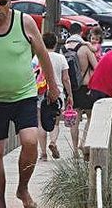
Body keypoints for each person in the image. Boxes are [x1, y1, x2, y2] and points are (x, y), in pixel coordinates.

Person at [0, 0, 58, 208]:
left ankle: (23, 188)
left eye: (2, 2)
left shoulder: (24, 22)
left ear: (10, 2)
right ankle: (0, 203)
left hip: (24, 95)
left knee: (30, 142)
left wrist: (53, 87)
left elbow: (43, 56)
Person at [34, 33, 73, 161]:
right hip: (58, 92)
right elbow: (66, 78)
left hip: (40, 92)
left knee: (40, 123)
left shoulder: (36, 58)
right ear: (55, 43)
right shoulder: (60, 58)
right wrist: (70, 95)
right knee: (55, 121)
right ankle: (53, 142)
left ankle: (43, 153)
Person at [65, 33, 99, 160]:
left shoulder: (64, 49)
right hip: (86, 88)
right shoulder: (84, 49)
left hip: (71, 89)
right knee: (90, 116)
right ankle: (83, 142)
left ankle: (74, 150)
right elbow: (97, 67)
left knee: (74, 120)